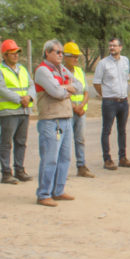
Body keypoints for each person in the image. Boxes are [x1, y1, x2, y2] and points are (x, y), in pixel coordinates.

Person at [34, 40, 80, 206]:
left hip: (66, 118)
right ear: (47, 52)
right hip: (51, 119)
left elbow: (80, 87)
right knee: (50, 158)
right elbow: (56, 92)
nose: (61, 55)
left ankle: (58, 190)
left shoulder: (62, 69)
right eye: (57, 52)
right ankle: (44, 193)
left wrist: (64, 88)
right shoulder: (42, 71)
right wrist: (68, 89)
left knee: (65, 157)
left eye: (62, 52)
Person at [0, 39, 34, 184]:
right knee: (6, 143)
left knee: (21, 142)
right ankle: (6, 172)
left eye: (17, 53)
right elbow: (1, 89)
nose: (16, 55)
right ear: (5, 55)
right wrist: (19, 99)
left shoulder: (22, 69)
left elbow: (31, 85)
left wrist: (29, 97)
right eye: (12, 53)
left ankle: (19, 169)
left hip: (24, 110)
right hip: (9, 111)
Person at [94, 37, 130, 170]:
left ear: (120, 47)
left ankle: (122, 157)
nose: (112, 48)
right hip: (110, 101)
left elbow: (126, 78)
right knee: (106, 130)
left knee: (122, 130)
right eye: (110, 46)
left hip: (123, 101)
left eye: (114, 46)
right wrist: (104, 95)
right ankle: (107, 159)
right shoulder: (103, 63)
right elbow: (96, 82)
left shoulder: (126, 61)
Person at [63, 42, 95, 177]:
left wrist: (81, 106)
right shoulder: (61, 72)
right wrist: (73, 107)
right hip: (66, 113)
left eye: (77, 57)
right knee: (65, 141)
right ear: (65, 57)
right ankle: (63, 170)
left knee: (80, 139)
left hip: (80, 112)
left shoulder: (79, 72)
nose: (76, 59)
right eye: (73, 56)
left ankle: (81, 166)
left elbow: (86, 91)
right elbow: (60, 92)